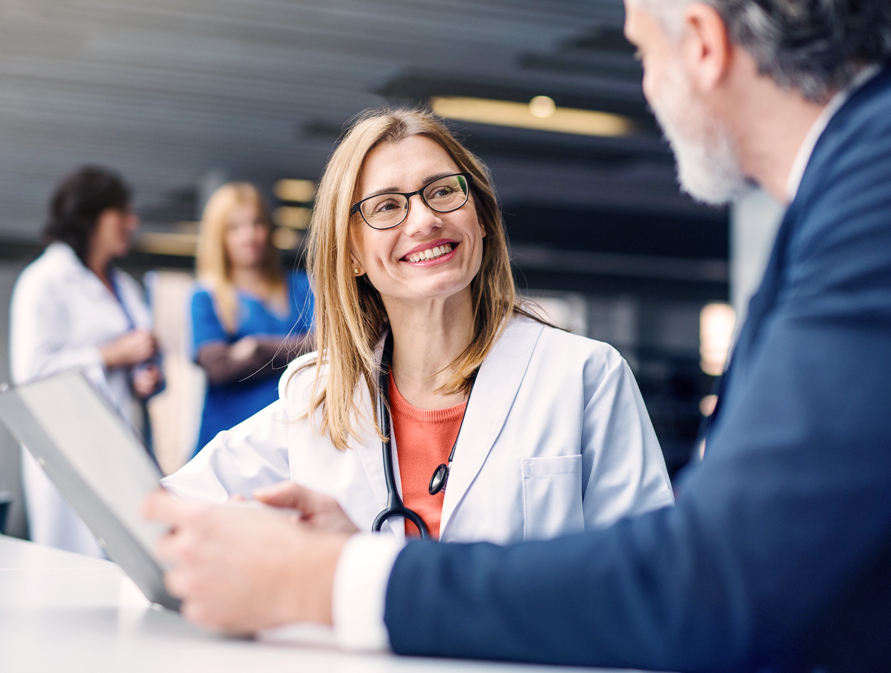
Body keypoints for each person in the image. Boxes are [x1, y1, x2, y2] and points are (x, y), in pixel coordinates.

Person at [144, 0, 891, 673]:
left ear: (702, 43)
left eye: (641, 48)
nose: (649, 82)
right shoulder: (889, 161)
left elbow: (714, 581)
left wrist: (328, 581)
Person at [161, 109, 672, 548]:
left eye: (443, 191)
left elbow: (650, 580)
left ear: (483, 218)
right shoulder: (316, 395)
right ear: (353, 254)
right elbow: (164, 513)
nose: (424, 219)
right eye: (386, 206)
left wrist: (369, 568)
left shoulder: (585, 375)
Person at [11, 165, 162, 556]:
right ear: (89, 216)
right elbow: (31, 373)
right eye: (122, 213)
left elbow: (136, 358)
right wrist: (111, 355)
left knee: (129, 558)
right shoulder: (44, 280)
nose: (133, 222)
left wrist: (143, 377)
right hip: (69, 443)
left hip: (122, 439)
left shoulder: (125, 286)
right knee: (72, 563)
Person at [189, 183, 314, 453]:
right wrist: (295, 350)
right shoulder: (205, 297)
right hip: (229, 440)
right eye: (235, 228)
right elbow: (219, 368)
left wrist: (255, 348)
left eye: (257, 223)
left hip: (294, 437)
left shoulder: (302, 287)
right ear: (219, 237)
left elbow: (329, 347)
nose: (250, 235)